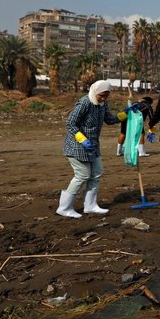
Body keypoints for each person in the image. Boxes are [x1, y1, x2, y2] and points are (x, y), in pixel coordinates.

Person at [56, 80, 124, 218]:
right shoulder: (84, 103)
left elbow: (110, 120)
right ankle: (64, 207)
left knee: (97, 173)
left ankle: (90, 205)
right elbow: (70, 124)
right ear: (95, 92)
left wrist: (126, 114)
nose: (103, 98)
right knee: (82, 175)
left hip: (93, 145)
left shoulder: (102, 104)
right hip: (77, 145)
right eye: (101, 95)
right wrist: (83, 139)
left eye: (106, 96)